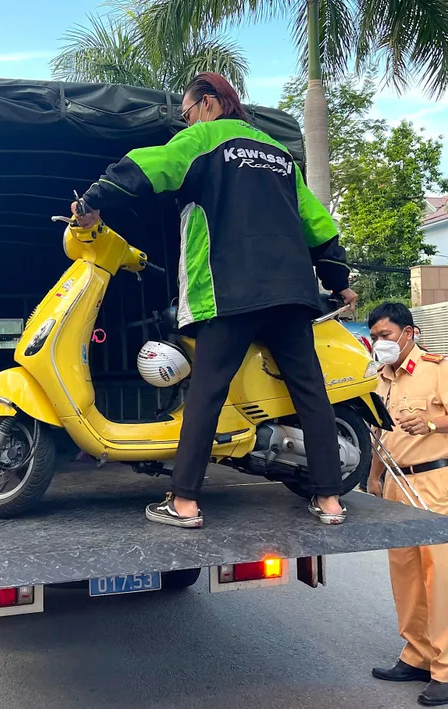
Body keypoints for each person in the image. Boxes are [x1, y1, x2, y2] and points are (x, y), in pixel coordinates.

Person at [72, 72, 355, 528]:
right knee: (311, 394)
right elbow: (318, 224)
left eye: (185, 115)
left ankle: (183, 502)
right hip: (291, 295)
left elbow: (150, 167)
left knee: (205, 394)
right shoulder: (279, 154)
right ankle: (330, 501)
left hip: (230, 292)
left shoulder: (205, 139)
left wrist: (94, 199)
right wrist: (337, 279)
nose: (185, 125)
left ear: (207, 105)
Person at [366, 302, 448, 707]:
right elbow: (376, 435)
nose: (380, 344)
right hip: (395, 483)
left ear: (409, 332)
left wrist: (433, 424)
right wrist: (373, 477)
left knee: (442, 577)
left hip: (435, 481)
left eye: (386, 335)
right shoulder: (379, 380)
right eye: (376, 337)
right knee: (406, 574)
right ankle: (416, 655)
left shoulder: (438, 368)